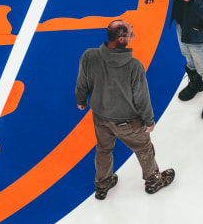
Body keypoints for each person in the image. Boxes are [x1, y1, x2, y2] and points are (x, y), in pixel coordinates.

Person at [75, 20, 175, 200]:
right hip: (127, 121)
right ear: (121, 39)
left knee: (104, 149)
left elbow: (82, 82)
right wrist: (149, 120)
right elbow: (141, 97)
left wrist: (81, 101)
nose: (132, 34)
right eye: (130, 33)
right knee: (144, 148)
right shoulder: (133, 66)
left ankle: (102, 184)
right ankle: (153, 180)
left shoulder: (89, 56)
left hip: (99, 116)